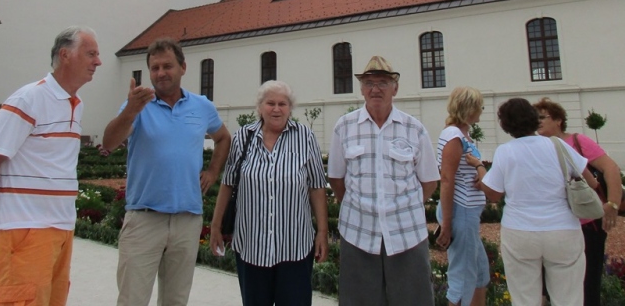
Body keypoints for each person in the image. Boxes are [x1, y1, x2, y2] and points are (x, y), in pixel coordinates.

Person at [0, 26, 102, 306]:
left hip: (61, 229)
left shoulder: (76, 104)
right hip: (25, 230)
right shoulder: (28, 99)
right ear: (65, 55)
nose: (98, 62)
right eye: (91, 54)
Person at [102, 37, 231, 306]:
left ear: (183, 67)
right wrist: (130, 111)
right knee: (132, 300)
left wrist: (212, 172)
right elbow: (109, 142)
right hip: (144, 219)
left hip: (187, 219)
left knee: (176, 300)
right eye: (155, 68)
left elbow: (223, 138)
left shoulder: (202, 106)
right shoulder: (138, 105)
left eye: (167, 66)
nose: (160, 73)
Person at [328, 56, 439, 306]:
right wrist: (359, 206)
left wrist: (405, 206)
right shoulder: (344, 127)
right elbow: (336, 178)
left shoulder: (414, 128)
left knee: (413, 301)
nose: (375, 89)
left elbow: (430, 181)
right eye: (369, 83)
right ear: (361, 89)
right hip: (358, 233)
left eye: (383, 83)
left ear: (395, 88)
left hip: (406, 235)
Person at [209, 80, 328, 306]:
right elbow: (228, 183)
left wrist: (322, 231)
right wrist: (215, 226)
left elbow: (316, 186)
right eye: (270, 103)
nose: (276, 109)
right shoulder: (243, 137)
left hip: (294, 247)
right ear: (259, 107)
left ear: (290, 108)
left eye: (282, 104)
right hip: (252, 246)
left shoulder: (305, 137)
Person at [475, 98, 589, 306]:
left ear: (505, 125)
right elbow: (586, 177)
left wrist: (480, 171)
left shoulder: (506, 151)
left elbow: (494, 194)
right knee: (569, 298)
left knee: (524, 299)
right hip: (562, 227)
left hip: (520, 229)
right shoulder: (557, 145)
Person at [535, 97, 623, 306]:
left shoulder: (577, 141)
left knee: (587, 282)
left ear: (558, 120)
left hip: (586, 223)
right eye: (535, 118)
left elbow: (610, 168)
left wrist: (613, 204)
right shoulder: (536, 146)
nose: (538, 122)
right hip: (553, 225)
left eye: (543, 117)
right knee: (548, 285)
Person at [436, 87, 489, 306]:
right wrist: (447, 224)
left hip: (467, 211)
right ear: (469, 109)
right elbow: (447, 179)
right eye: (479, 107)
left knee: (479, 273)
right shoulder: (454, 136)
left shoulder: (461, 135)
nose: (481, 111)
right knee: (463, 277)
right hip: (462, 210)